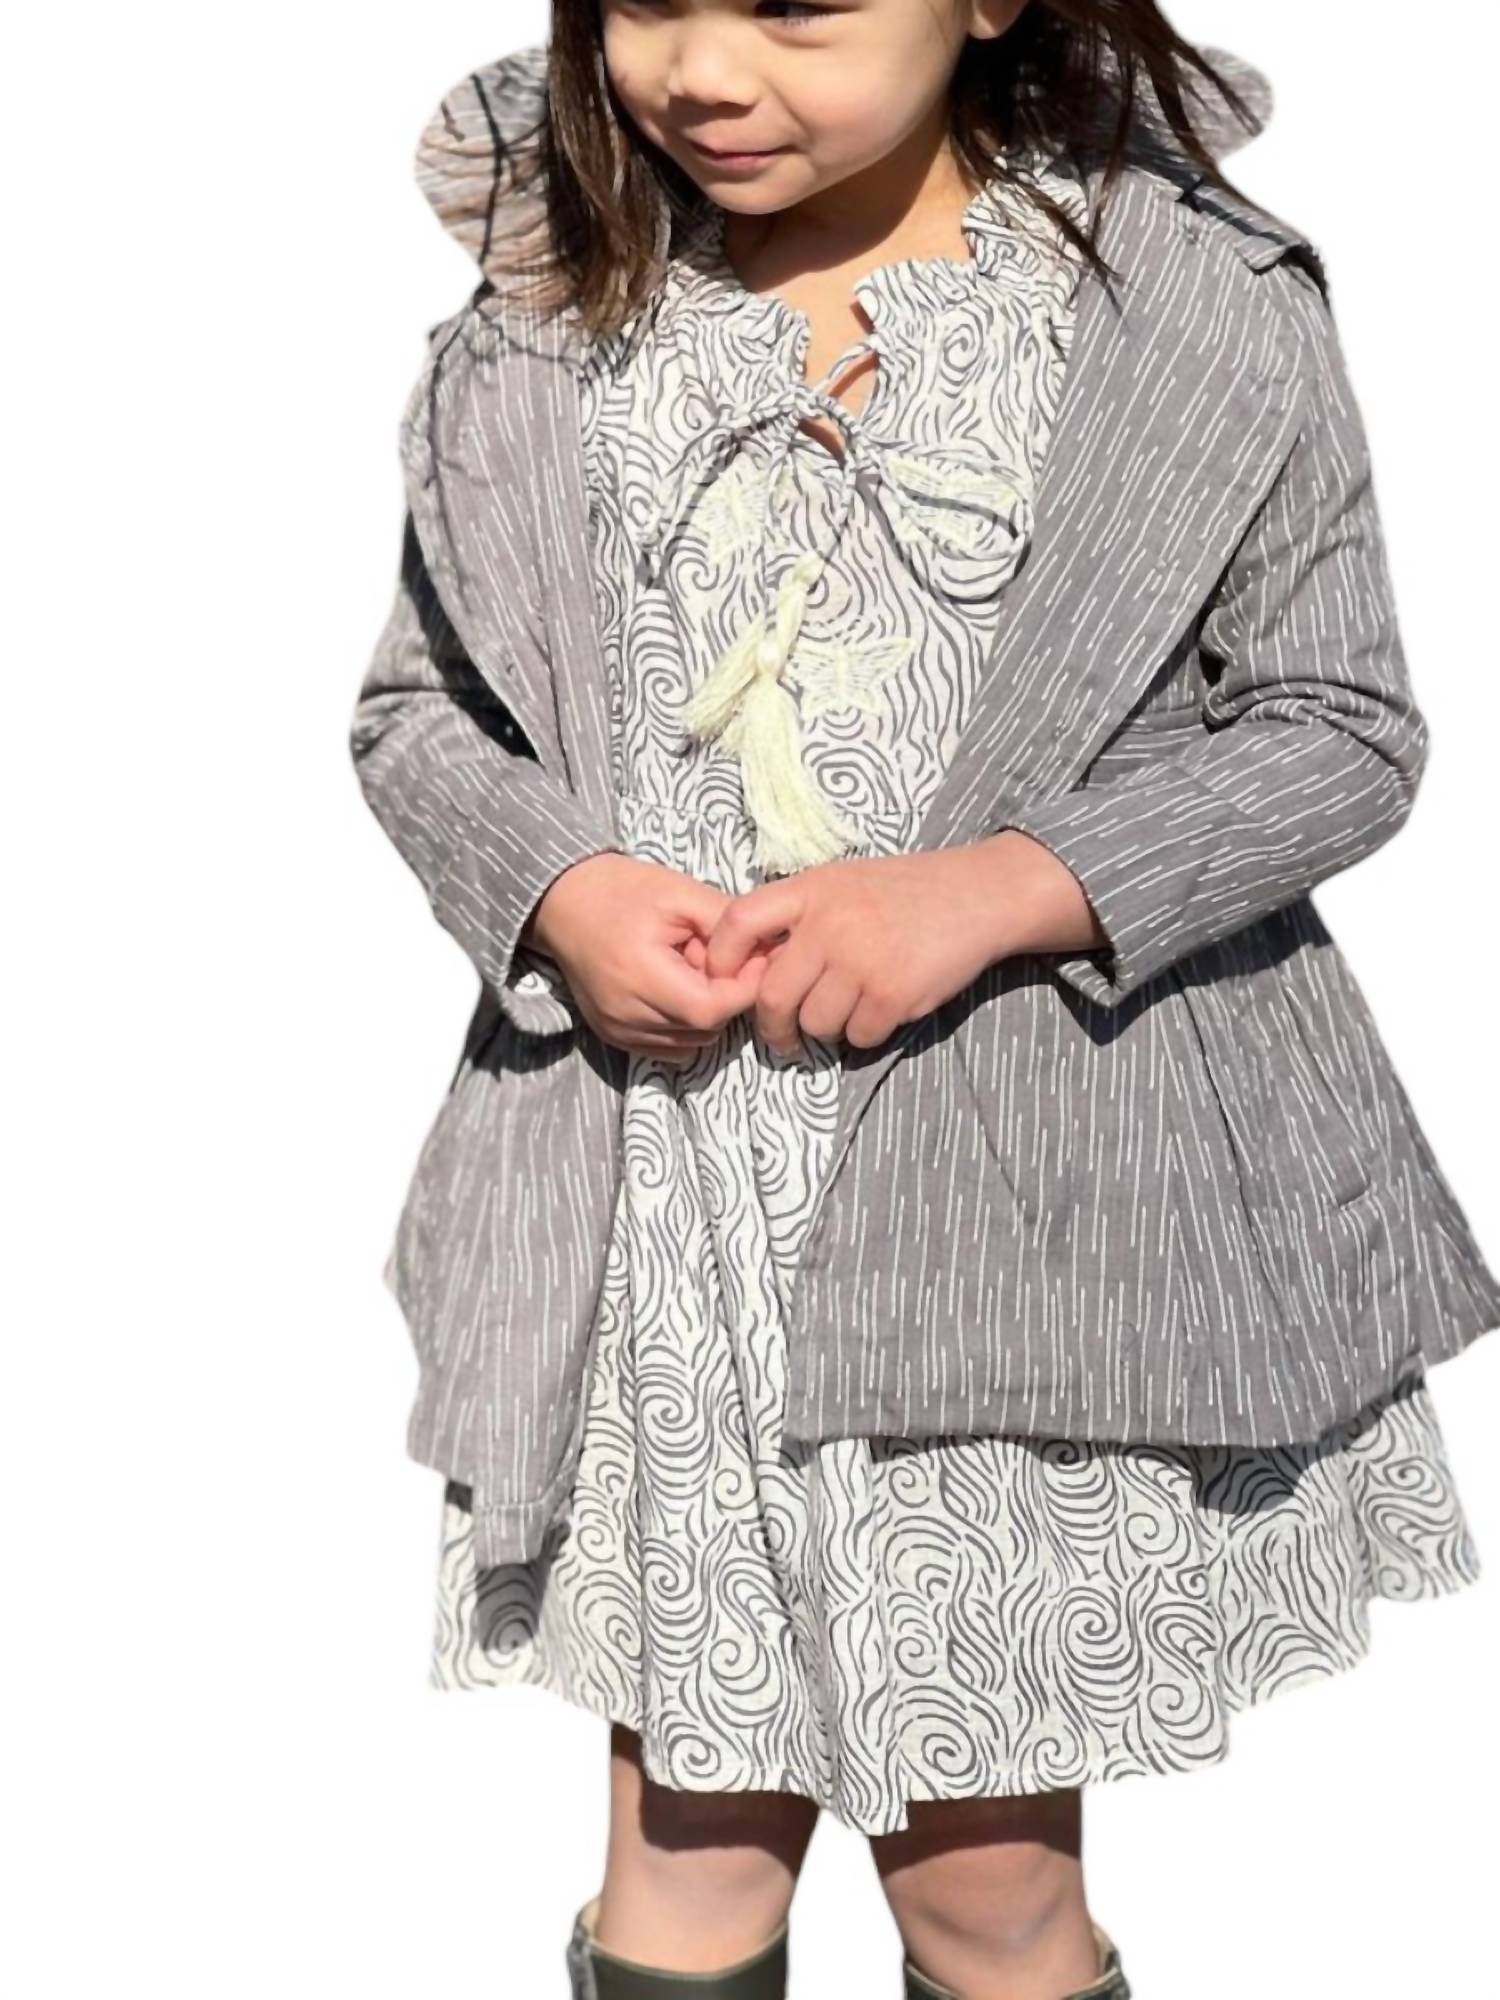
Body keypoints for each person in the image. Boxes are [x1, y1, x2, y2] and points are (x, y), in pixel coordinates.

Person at [349, 6, 1500, 1997]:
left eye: (797, 4)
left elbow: (1339, 726)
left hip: (1016, 1229)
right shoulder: (552, 323)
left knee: (987, 1893)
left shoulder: (1184, 311)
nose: (707, 71)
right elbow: (419, 714)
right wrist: (559, 888)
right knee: (685, 1861)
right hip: (667, 1225)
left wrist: (1000, 889)